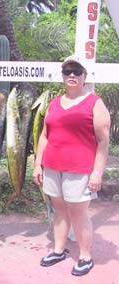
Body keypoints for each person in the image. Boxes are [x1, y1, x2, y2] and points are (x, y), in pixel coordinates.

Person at [33, 54, 111, 276]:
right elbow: (44, 136)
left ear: (84, 76)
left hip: (80, 169)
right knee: (59, 210)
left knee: (79, 213)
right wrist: (38, 164)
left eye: (77, 71)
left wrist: (97, 172)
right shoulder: (55, 103)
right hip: (53, 166)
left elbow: (103, 141)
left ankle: (85, 256)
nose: (72, 75)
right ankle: (58, 250)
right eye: (68, 71)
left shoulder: (95, 103)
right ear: (63, 76)